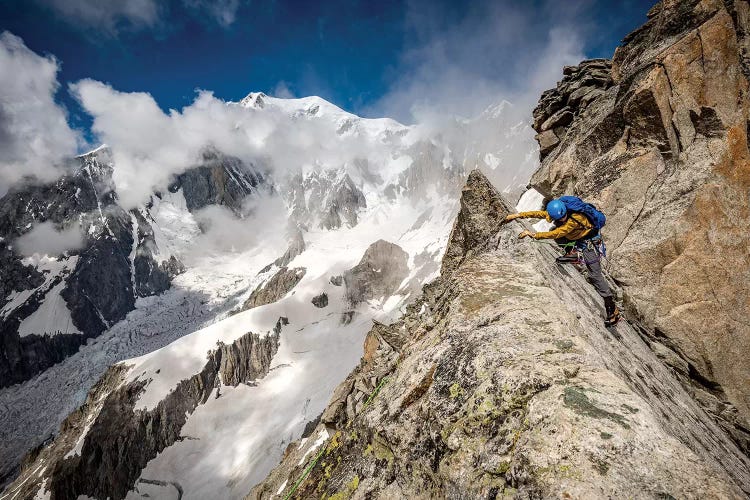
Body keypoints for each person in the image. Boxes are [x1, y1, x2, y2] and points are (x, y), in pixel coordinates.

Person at [503, 198, 620, 327]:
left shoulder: (575, 219)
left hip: (590, 242)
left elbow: (558, 233)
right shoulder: (559, 212)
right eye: (560, 218)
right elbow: (538, 214)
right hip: (579, 238)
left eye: (563, 217)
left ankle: (612, 309)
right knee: (557, 231)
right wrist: (517, 215)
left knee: (595, 276)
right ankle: (572, 253)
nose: (563, 219)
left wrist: (533, 235)